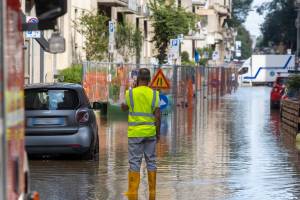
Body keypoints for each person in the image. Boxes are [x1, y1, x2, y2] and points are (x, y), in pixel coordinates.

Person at [121, 68, 161, 200]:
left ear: (137, 79)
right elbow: (158, 115)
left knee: (134, 163)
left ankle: (133, 194)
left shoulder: (130, 93)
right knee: (151, 162)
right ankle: (152, 194)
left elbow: (123, 107)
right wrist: (158, 133)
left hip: (135, 134)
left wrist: (131, 89)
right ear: (149, 80)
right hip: (150, 133)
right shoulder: (154, 94)